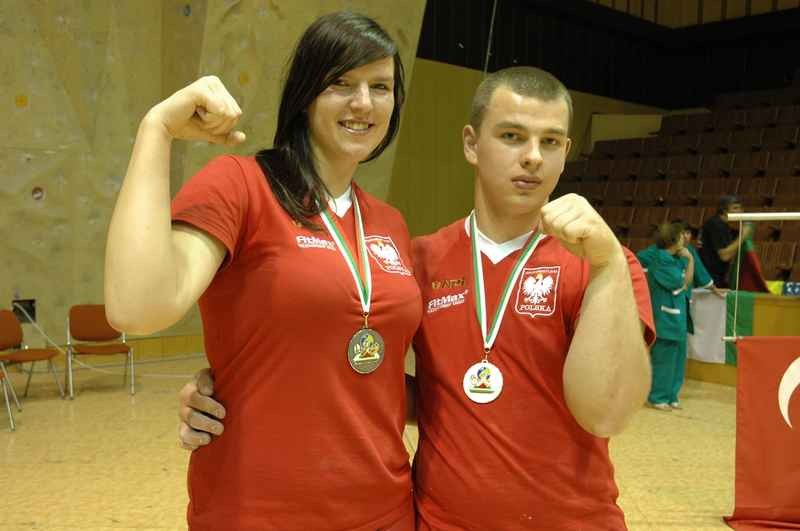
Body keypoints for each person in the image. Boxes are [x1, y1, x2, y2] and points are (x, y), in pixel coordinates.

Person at [179, 66, 656, 529]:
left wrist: (608, 264)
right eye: (512, 136)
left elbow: (608, 413)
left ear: (566, 152)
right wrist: (233, 393)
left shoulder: (604, 266)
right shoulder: (419, 261)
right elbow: (383, 381)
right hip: (438, 521)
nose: (532, 156)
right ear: (471, 144)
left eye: (550, 142)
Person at [105, 12, 421, 531]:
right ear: (306, 95)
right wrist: (156, 130)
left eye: (380, 86)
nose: (364, 103)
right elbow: (136, 307)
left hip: (382, 510)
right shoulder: (241, 186)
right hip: (257, 511)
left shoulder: (390, 224)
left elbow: (379, 378)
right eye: (342, 83)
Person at [636, 223, 694, 411]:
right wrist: (690, 260)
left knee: (677, 358)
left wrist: (688, 259)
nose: (684, 238)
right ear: (673, 240)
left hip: (677, 317)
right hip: (665, 318)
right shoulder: (661, 259)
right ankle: (657, 396)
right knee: (664, 359)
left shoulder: (676, 258)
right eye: (681, 235)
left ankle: (671, 396)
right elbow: (682, 282)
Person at [699, 195, 753, 288]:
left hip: (718, 276)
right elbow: (725, 256)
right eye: (735, 208)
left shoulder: (724, 226)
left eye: (740, 208)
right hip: (709, 278)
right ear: (724, 210)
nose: (740, 211)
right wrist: (743, 236)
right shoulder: (716, 225)